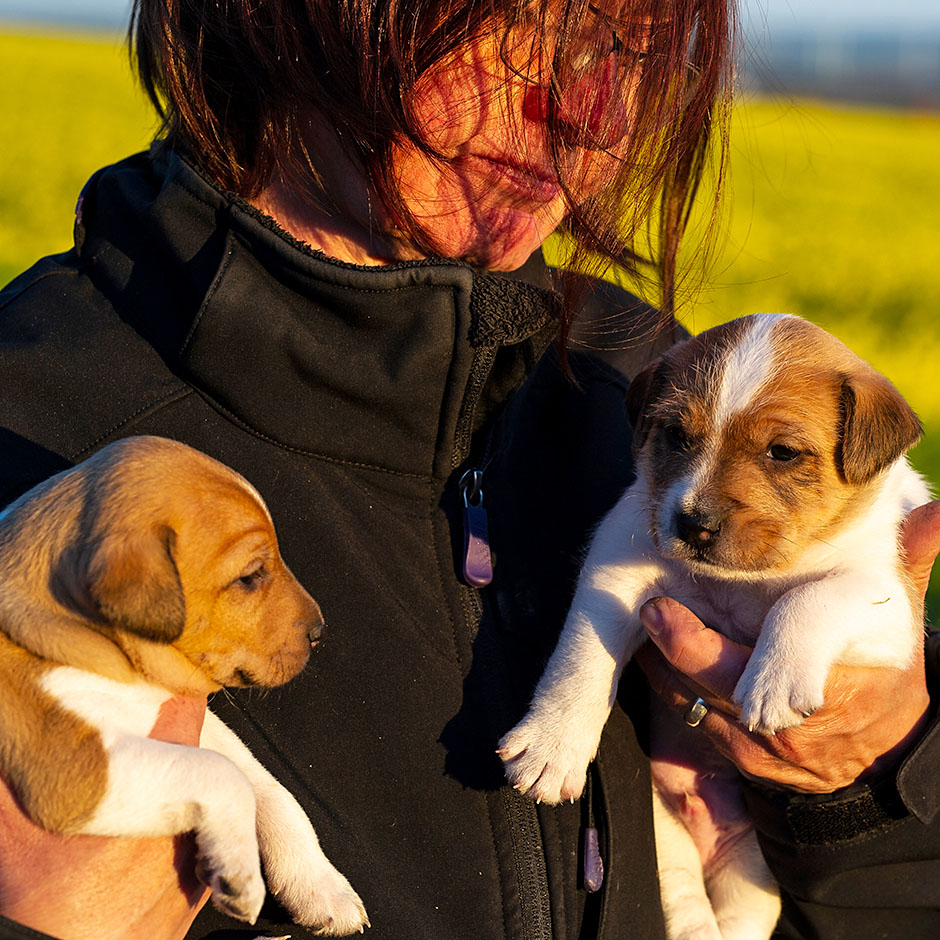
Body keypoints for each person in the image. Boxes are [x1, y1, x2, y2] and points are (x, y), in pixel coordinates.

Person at [0, 0, 938, 936]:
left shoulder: (635, 378)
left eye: (636, 56)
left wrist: (868, 798)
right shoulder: (32, 425)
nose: (592, 113)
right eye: (533, 32)